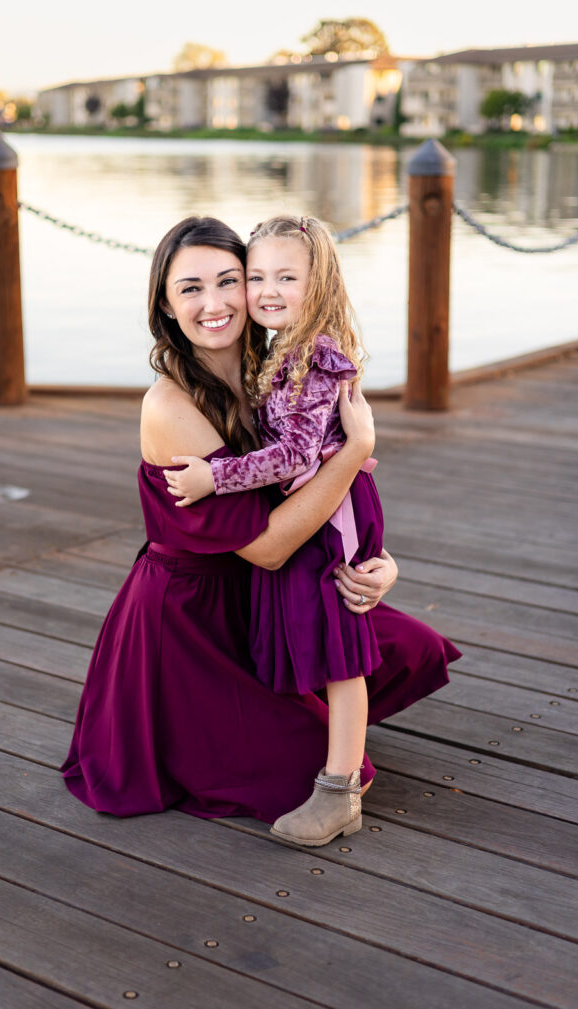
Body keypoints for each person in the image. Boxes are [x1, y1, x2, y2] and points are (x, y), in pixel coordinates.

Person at [60, 215, 461, 846]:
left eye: (230, 281)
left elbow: (314, 491)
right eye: (190, 289)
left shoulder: (274, 371)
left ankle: (306, 710)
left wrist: (377, 560)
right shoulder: (170, 406)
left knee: (412, 647)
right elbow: (271, 547)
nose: (215, 303)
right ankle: (280, 730)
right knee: (317, 770)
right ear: (164, 307)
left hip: (263, 591)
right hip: (192, 621)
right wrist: (358, 448)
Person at [163, 214, 441, 846]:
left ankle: (339, 790)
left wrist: (215, 475)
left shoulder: (313, 356)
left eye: (286, 276)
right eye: (256, 275)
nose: (266, 290)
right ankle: (314, 750)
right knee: (315, 632)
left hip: (330, 510)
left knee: (340, 647)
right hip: (320, 505)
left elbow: (292, 458)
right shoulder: (281, 348)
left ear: (318, 282)